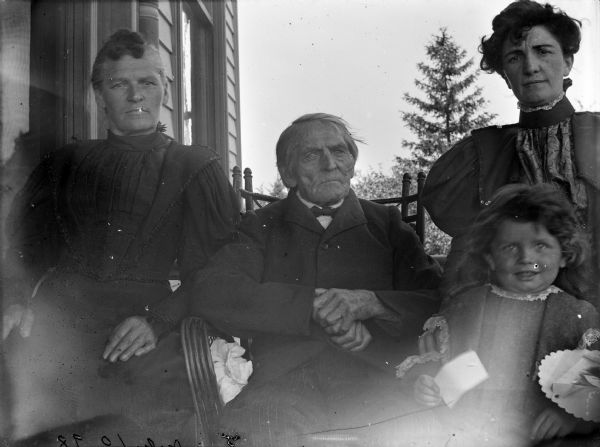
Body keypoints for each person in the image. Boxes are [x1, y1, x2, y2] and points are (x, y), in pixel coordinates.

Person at [2, 30, 239, 444]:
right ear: (99, 96)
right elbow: (23, 251)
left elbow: (219, 271)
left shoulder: (194, 166)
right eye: (119, 84)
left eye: (147, 82)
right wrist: (15, 298)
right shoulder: (65, 163)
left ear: (165, 89)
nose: (135, 96)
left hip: (146, 323)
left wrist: (158, 320)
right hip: (60, 321)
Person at [192, 113, 442, 446]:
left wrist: (373, 304)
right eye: (311, 155)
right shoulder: (260, 226)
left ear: (352, 162)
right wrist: (310, 306)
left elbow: (437, 299)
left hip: (378, 377)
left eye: (339, 152)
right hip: (284, 384)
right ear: (287, 172)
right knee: (256, 432)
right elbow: (214, 290)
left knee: (425, 431)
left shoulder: (387, 224)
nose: (329, 164)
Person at [422, 0, 600, 303]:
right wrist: (448, 319)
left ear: (568, 62)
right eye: (516, 58)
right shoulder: (479, 156)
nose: (531, 67)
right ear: (505, 74)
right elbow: (467, 259)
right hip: (513, 319)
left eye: (543, 51)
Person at [397, 183, 600, 447]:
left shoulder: (577, 315)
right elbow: (436, 361)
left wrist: (571, 418)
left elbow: (594, 388)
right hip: (469, 434)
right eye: (510, 248)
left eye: (541, 246)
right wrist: (425, 384)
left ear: (564, 254)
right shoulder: (464, 307)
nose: (527, 258)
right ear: (490, 257)